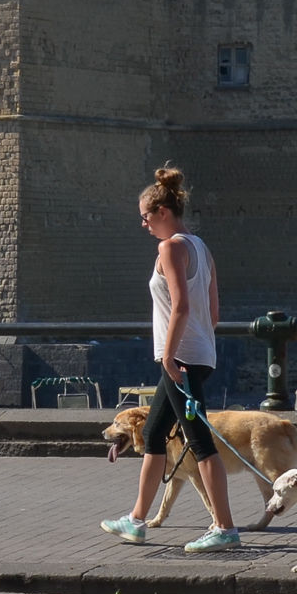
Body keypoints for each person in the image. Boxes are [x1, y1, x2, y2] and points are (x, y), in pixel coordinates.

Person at [101, 166, 239, 553]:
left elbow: (180, 307)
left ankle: (225, 527)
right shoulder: (201, 247)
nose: (144, 224)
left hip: (180, 360)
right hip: (198, 354)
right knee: (153, 434)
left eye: (146, 217)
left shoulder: (171, 248)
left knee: (200, 442)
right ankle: (136, 520)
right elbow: (213, 313)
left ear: (163, 211)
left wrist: (169, 357)